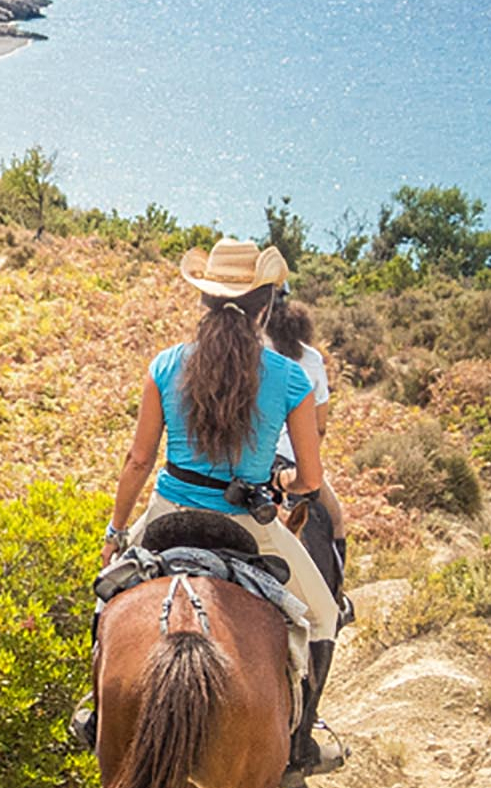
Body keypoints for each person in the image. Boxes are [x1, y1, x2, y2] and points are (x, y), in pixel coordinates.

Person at [98, 238, 344, 779]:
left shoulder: (166, 365)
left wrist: (118, 530)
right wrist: (281, 479)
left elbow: (138, 461)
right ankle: (303, 739)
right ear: (264, 307)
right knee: (324, 615)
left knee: (109, 599)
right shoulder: (290, 377)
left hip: (166, 513)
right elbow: (312, 477)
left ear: (204, 301)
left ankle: (93, 712)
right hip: (248, 528)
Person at [264, 286, 348, 596]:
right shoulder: (310, 359)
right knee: (336, 519)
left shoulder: (247, 350)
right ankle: (336, 600)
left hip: (246, 460)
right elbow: (320, 427)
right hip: (291, 463)